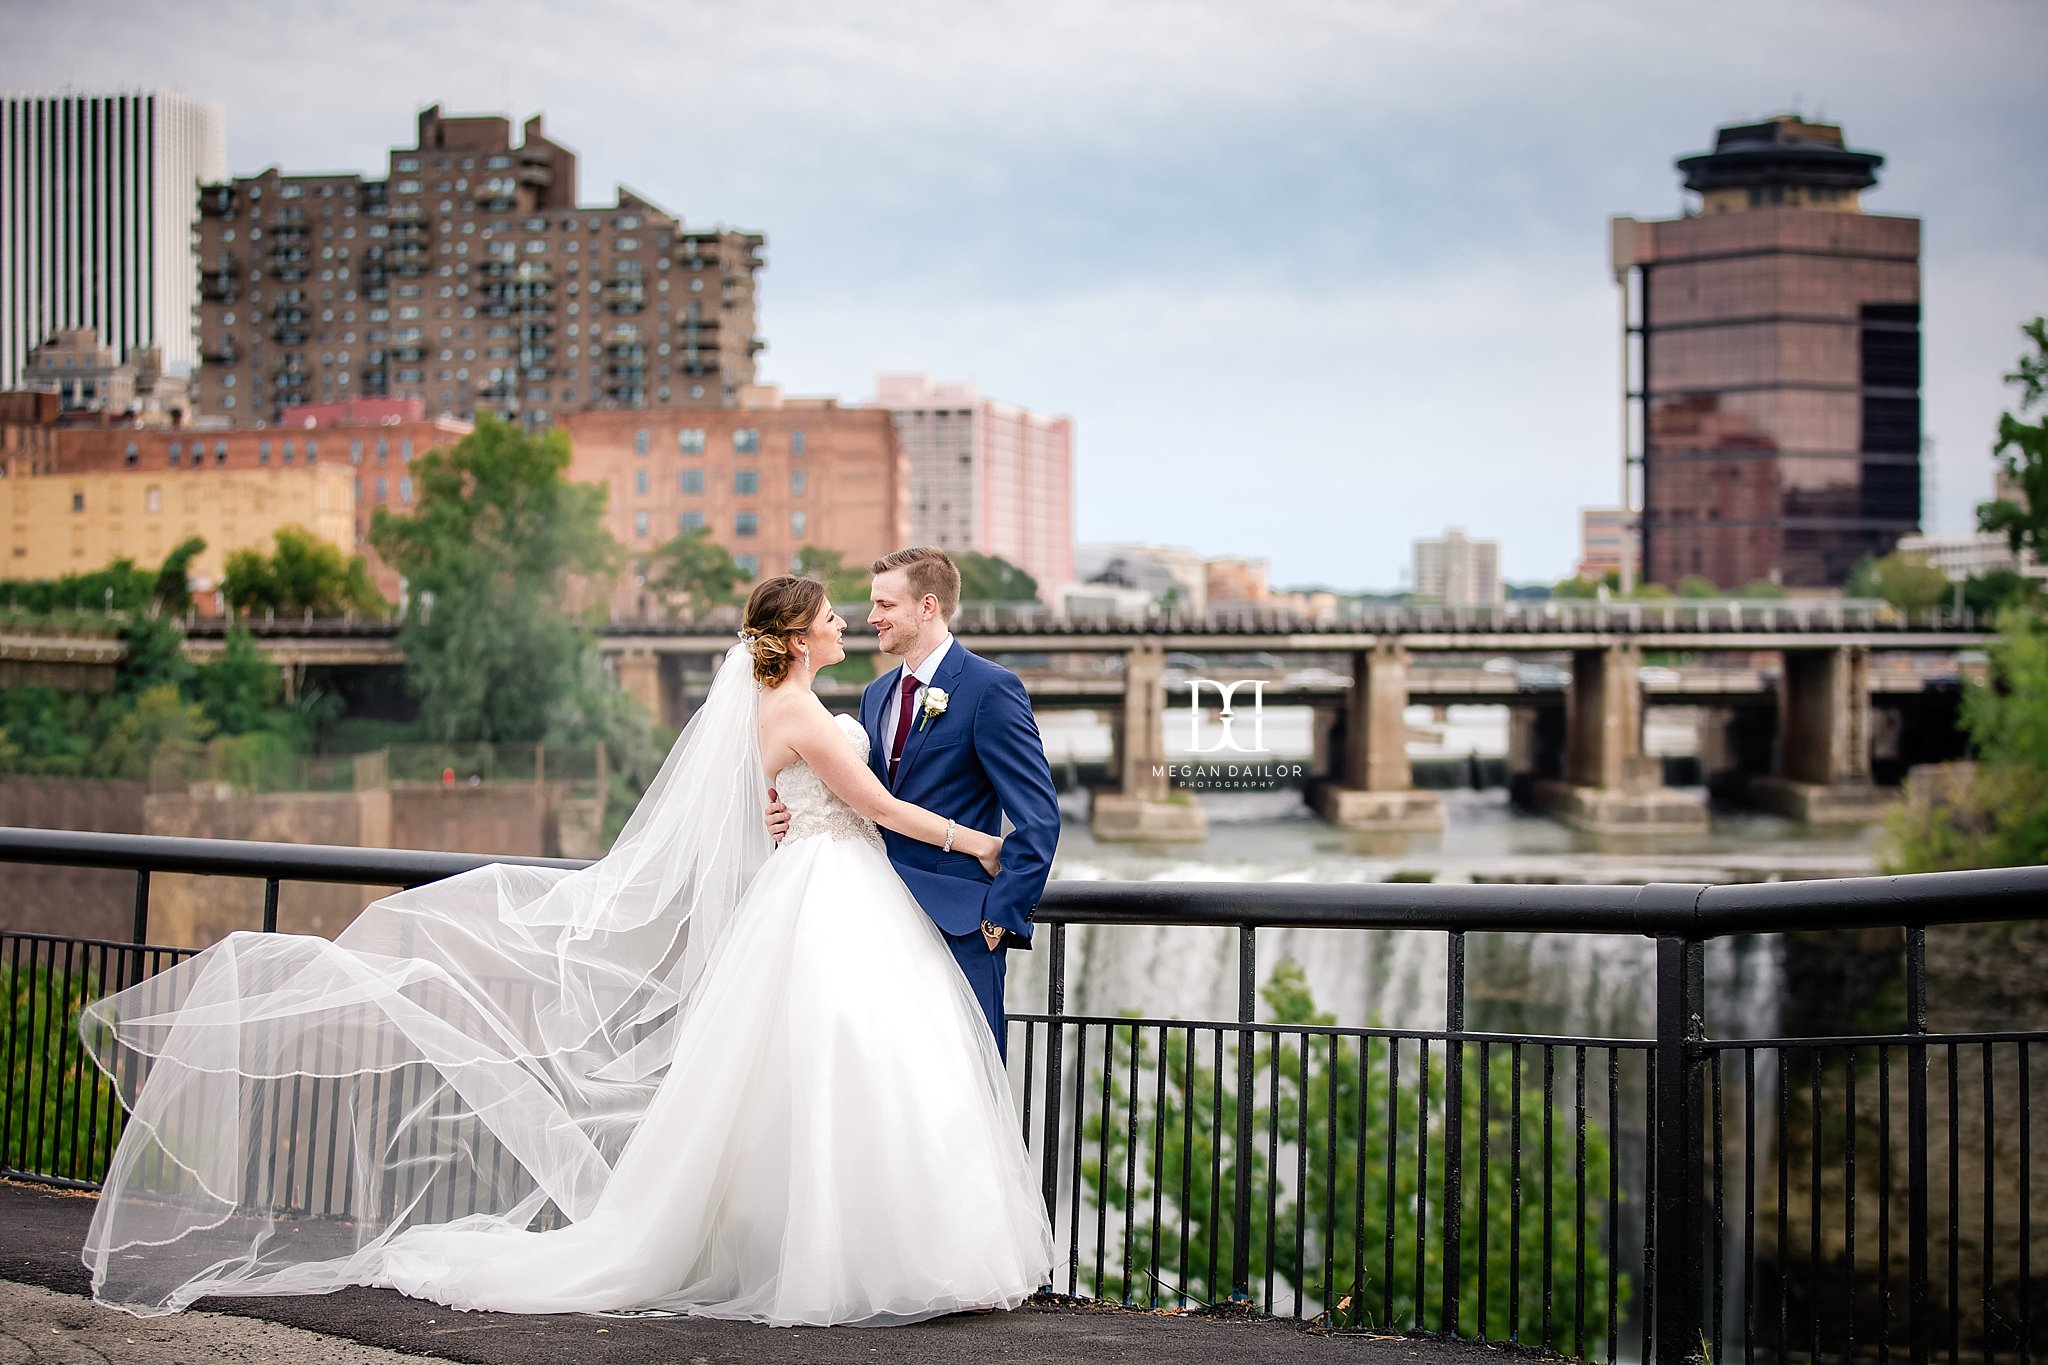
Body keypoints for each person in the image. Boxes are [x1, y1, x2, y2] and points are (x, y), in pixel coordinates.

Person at [78, 575, 1054, 1325]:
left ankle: (823, 1246)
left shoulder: (776, 712)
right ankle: (860, 1256)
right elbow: (877, 806)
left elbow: (795, 805)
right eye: (839, 613)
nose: (851, 621)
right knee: (851, 1067)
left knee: (812, 1076)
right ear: (799, 638)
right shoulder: (798, 709)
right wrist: (979, 842)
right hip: (833, 893)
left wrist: (803, 816)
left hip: (820, 890)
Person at [767, 548, 1060, 1060]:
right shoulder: (876, 694)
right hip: (875, 915)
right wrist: (781, 813)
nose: (871, 617)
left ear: (928, 606)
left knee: (965, 1084)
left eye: (884, 604)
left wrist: (997, 919)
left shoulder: (991, 690)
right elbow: (863, 799)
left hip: (961, 924)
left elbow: (1039, 819)